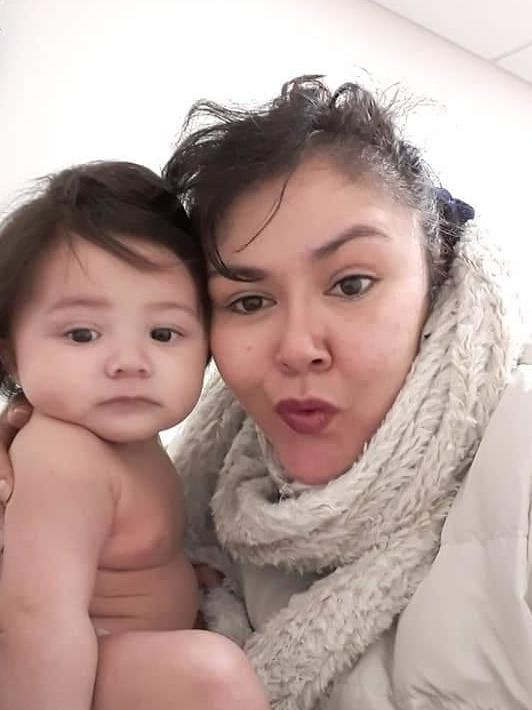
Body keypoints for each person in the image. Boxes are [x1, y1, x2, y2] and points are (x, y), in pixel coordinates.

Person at [2, 75, 531, 709]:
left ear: (436, 277)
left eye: (352, 284)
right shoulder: (219, 481)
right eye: (249, 301)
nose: (297, 346)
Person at [0, 162, 270, 710]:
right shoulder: (62, 455)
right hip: (68, 669)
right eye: (82, 334)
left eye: (163, 333)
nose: (129, 361)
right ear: (10, 354)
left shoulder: (131, 438)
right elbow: (37, 618)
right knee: (214, 676)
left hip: (117, 654)